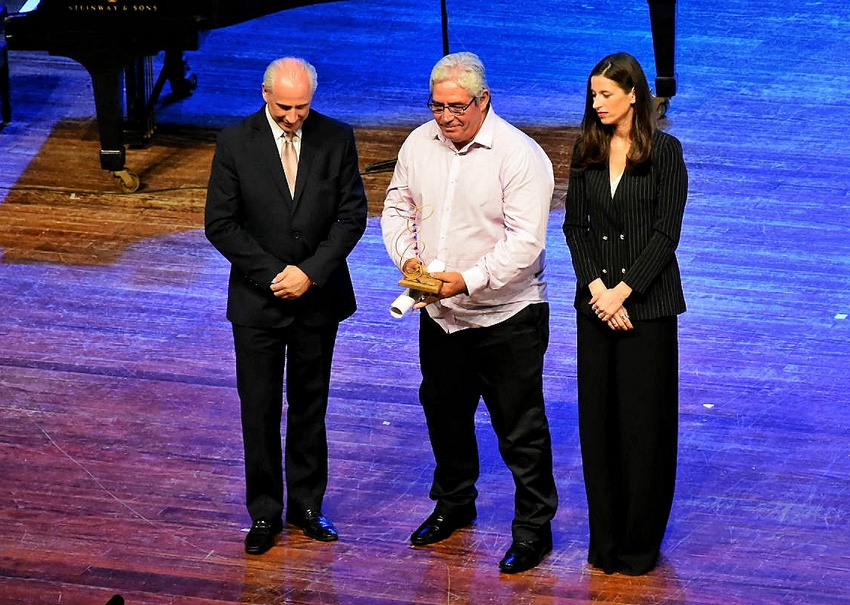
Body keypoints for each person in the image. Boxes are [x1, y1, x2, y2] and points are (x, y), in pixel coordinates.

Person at [381, 51, 558, 574]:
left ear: (484, 101)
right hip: (440, 314)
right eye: (437, 106)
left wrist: (466, 280)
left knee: (519, 428)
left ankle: (532, 529)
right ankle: (454, 504)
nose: (446, 117)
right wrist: (407, 256)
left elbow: (525, 243)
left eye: (457, 107)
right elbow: (397, 205)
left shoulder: (520, 156)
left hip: (507, 315)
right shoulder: (418, 143)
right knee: (445, 414)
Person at [205, 57, 368, 555]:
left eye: (301, 107)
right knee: (258, 410)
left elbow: (351, 215)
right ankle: (264, 513)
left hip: (316, 299)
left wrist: (311, 273)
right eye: (284, 107)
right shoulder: (235, 142)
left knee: (309, 405)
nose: (294, 117)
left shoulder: (336, 137)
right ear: (264, 94)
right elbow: (221, 223)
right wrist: (276, 275)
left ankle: (307, 505)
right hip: (259, 302)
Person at [562, 52, 688, 576]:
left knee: (644, 428)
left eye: (606, 95)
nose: (597, 104)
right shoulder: (587, 149)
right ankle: (605, 541)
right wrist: (598, 290)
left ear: (633, 94)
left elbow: (665, 235)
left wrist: (624, 292)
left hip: (647, 311)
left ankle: (639, 545)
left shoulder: (665, 152)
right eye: (593, 95)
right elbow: (574, 226)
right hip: (596, 308)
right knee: (599, 426)